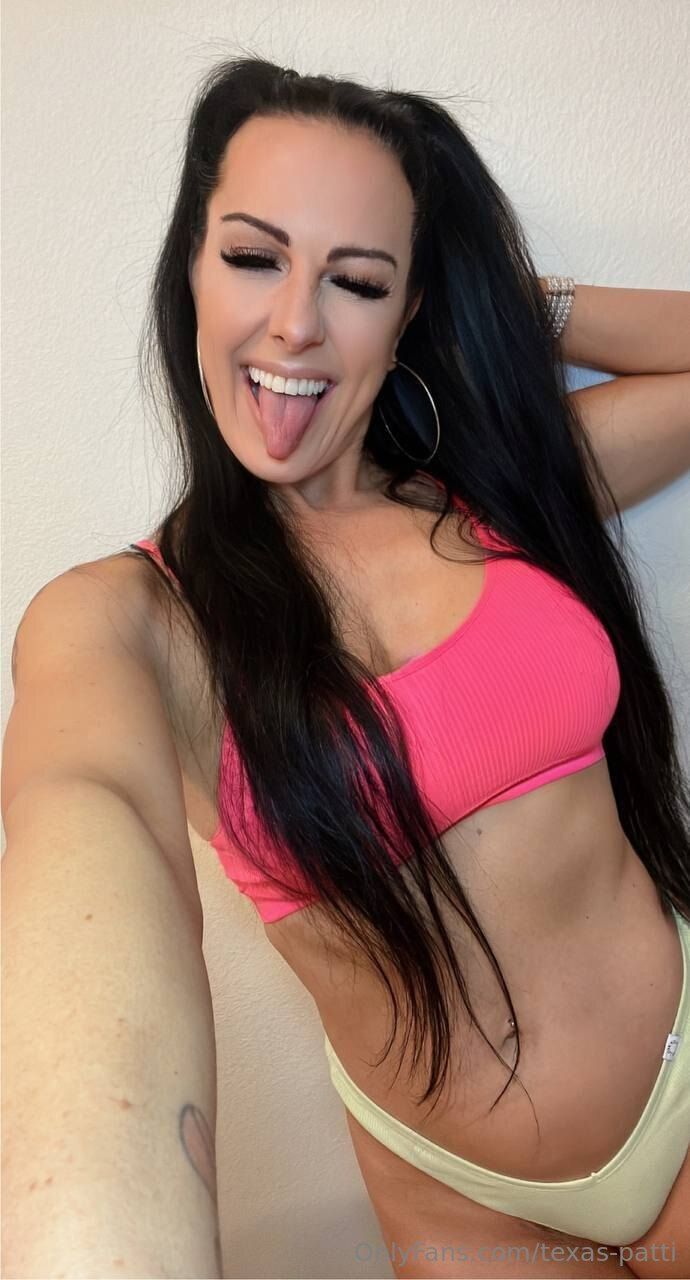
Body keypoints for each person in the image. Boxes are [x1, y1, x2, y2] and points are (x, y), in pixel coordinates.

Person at [3, 54, 690, 1280]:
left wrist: (506, 298)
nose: (297, 322)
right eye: (252, 257)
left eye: (358, 279)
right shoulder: (126, 623)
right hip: (466, 1202)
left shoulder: (499, 499)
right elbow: (76, 840)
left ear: (409, 307)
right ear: (191, 269)